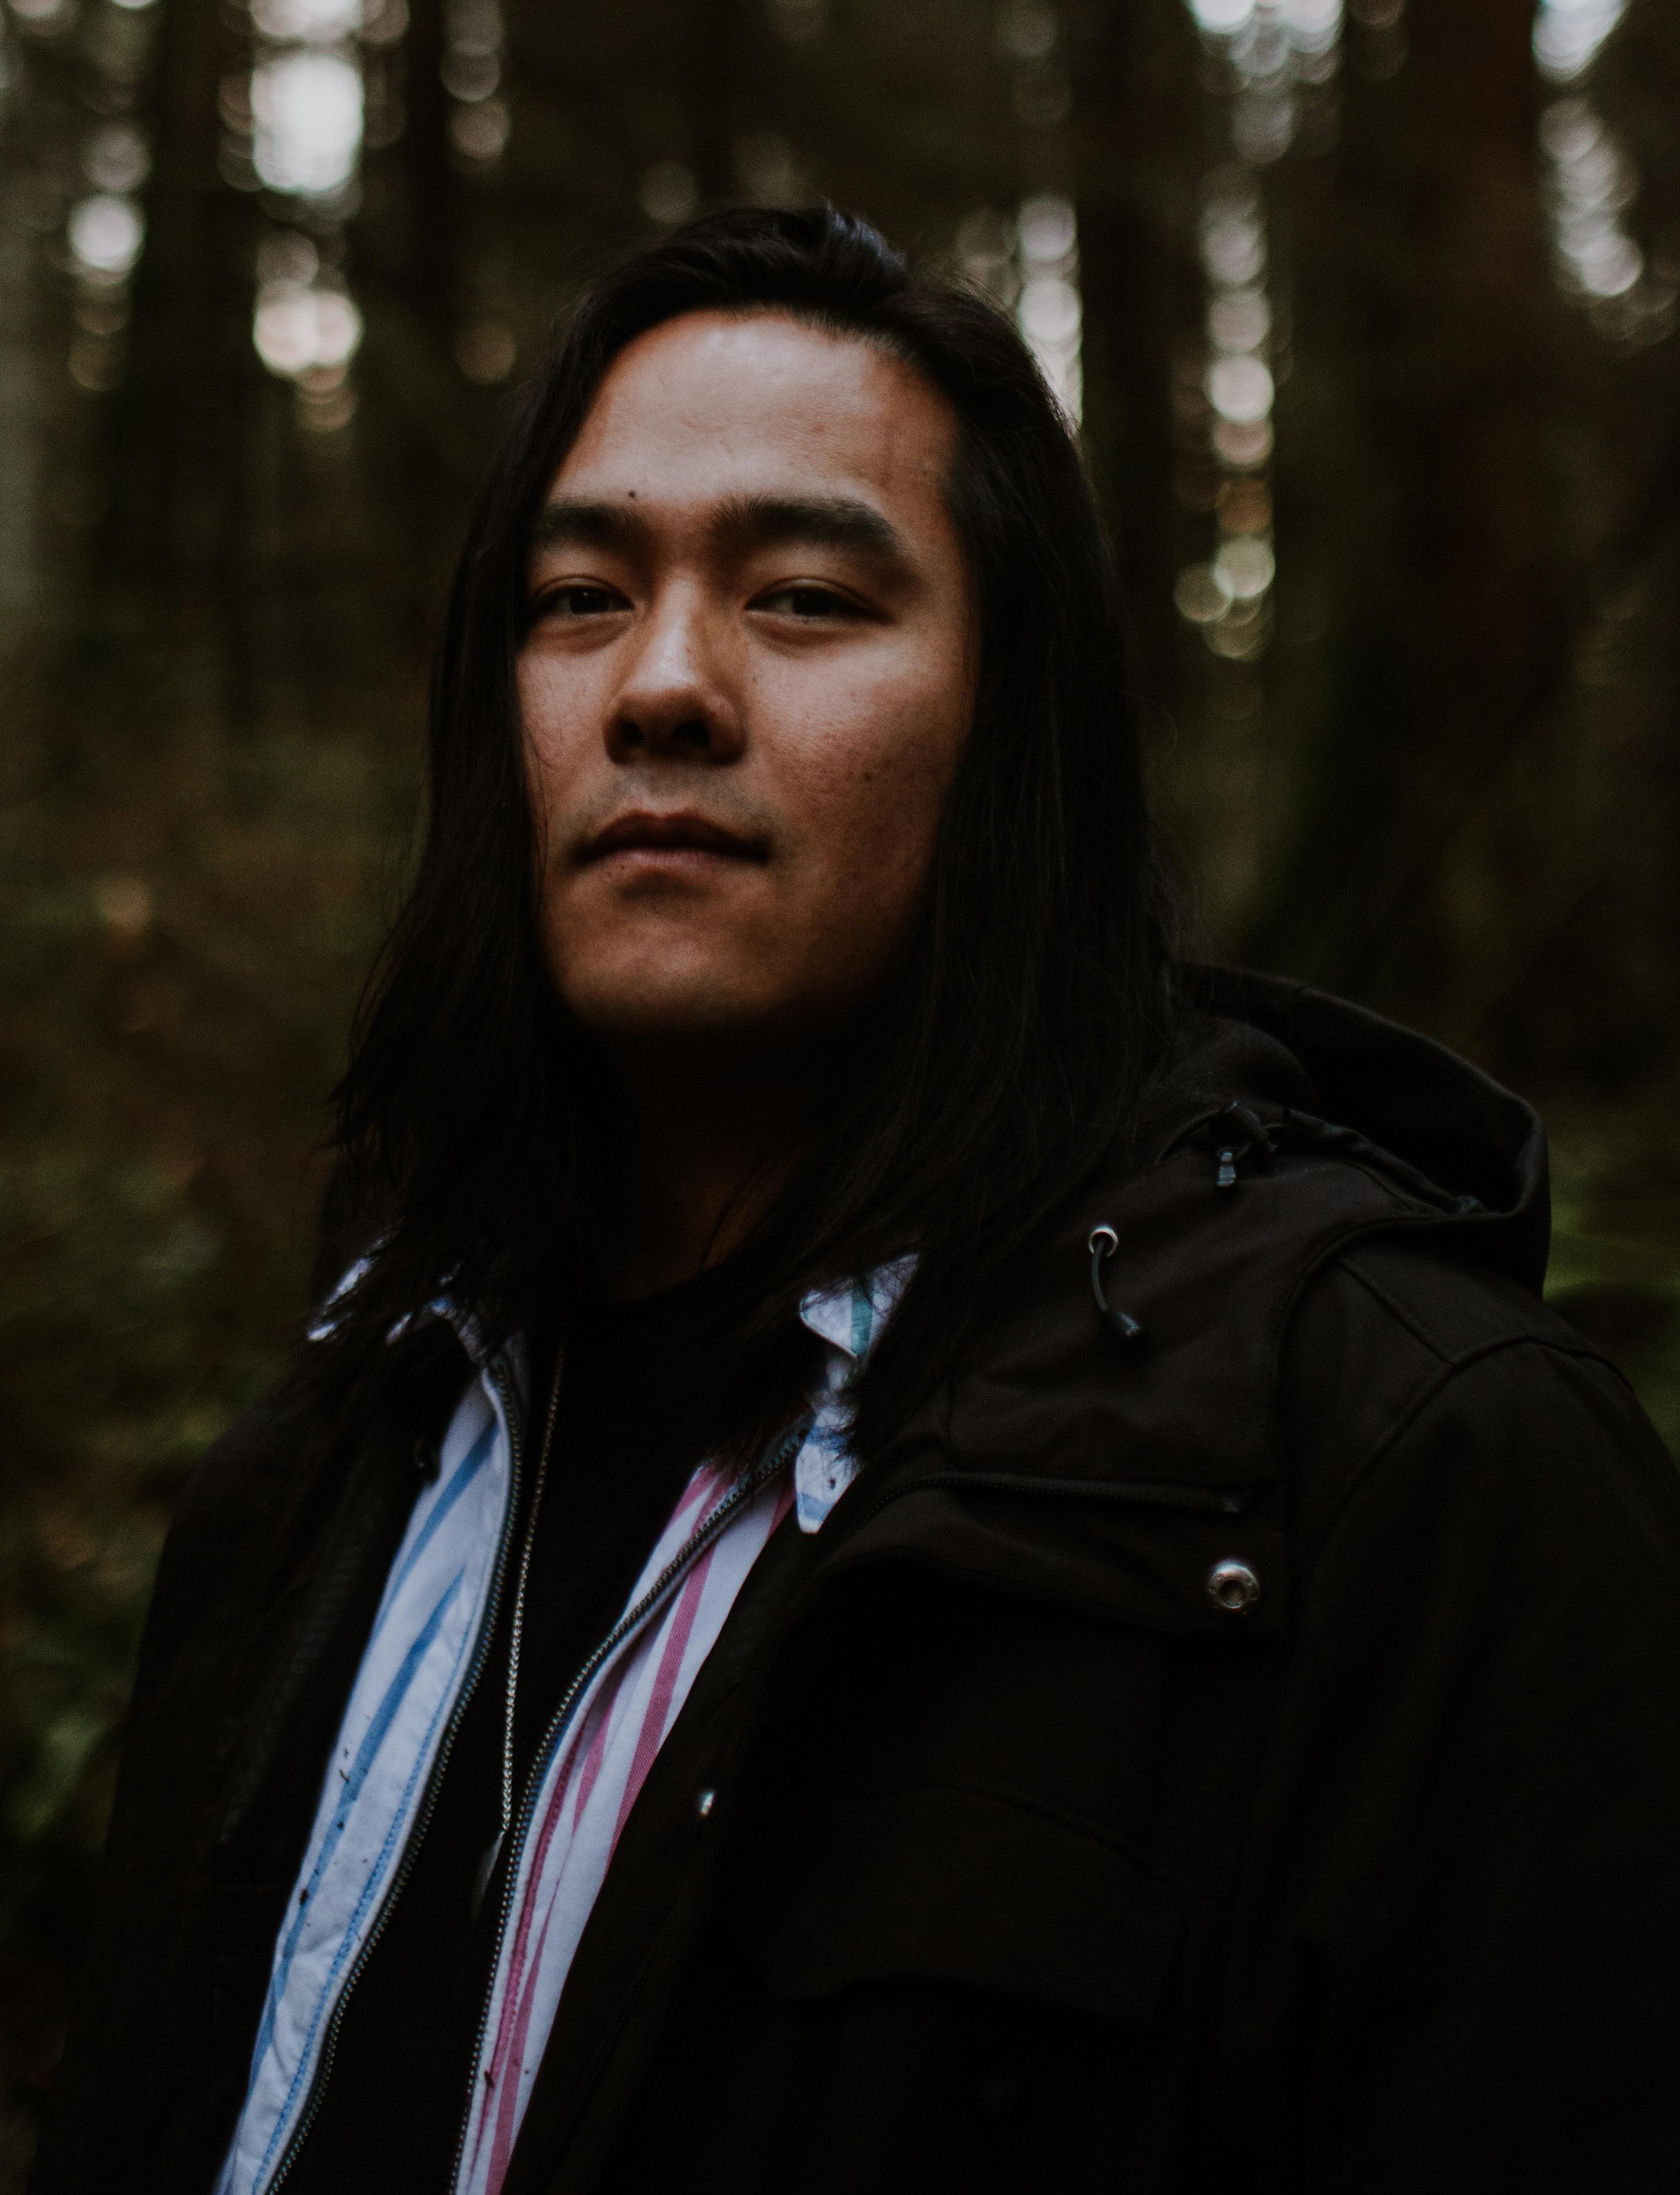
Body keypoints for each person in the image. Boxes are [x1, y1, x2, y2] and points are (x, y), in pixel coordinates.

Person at [31, 206, 1680, 2195]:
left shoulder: (1416, 1473)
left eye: (806, 596)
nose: (661, 686)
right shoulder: (326, 1452)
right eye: (579, 596)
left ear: (1015, 726)